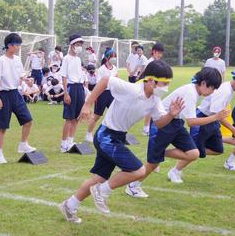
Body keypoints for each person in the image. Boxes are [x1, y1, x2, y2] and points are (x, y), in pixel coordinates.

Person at [59, 60, 184, 223]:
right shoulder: (131, 89)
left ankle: (69, 205)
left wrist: (171, 114)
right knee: (138, 171)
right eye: (164, 82)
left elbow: (159, 122)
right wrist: (87, 104)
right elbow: (105, 81)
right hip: (106, 136)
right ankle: (102, 191)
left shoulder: (154, 100)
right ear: (151, 80)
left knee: (98, 178)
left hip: (116, 137)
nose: (166, 87)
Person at [126, 68, 228, 196]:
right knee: (153, 163)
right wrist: (215, 117)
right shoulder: (190, 92)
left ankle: (160, 153)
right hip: (162, 122)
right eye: (213, 87)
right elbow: (191, 122)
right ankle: (133, 186)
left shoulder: (194, 91)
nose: (213, 91)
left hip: (176, 123)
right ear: (203, 83)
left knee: (193, 153)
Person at [190, 69, 235, 169]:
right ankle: (175, 168)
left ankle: (192, 149)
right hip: (202, 119)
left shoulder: (230, 89)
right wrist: (233, 129)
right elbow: (217, 114)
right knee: (192, 151)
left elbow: (217, 115)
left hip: (212, 120)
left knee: (217, 149)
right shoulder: (225, 91)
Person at [0, 33, 37, 164]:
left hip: (16, 94)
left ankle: (23, 144)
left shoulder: (17, 59)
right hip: (4, 95)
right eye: (16, 45)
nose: (18, 47)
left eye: (19, 45)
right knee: (3, 127)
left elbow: (20, 75)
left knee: (28, 120)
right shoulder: (1, 60)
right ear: (9, 45)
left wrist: (27, 80)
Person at [60, 34, 87, 152]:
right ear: (71, 46)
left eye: (80, 45)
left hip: (79, 88)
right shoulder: (66, 59)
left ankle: (71, 141)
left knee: (77, 117)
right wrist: (66, 93)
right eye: (77, 45)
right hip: (71, 88)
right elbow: (64, 76)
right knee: (69, 118)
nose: (79, 47)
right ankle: (63, 144)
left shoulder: (78, 59)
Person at [85, 48, 118, 142]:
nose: (114, 59)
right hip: (102, 93)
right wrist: (111, 80)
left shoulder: (115, 68)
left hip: (112, 93)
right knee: (97, 116)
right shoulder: (101, 69)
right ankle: (89, 134)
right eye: (112, 57)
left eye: (115, 57)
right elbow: (99, 83)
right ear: (107, 58)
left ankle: (112, 134)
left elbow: (116, 80)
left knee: (115, 114)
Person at [141, 43, 165, 136]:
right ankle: (146, 128)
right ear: (154, 52)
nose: (160, 55)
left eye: (161, 53)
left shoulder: (155, 62)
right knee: (151, 108)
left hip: (155, 89)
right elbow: (147, 78)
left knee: (155, 108)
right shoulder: (150, 62)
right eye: (158, 53)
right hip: (150, 89)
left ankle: (149, 128)